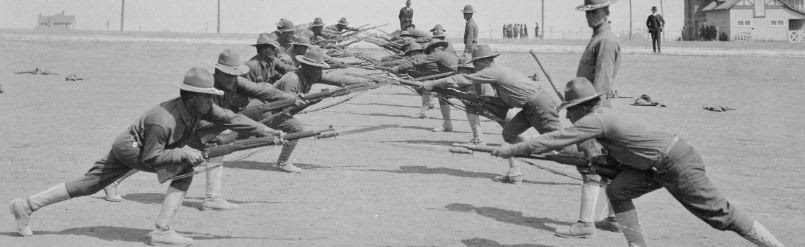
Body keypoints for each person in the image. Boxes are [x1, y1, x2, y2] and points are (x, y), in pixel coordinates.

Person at [491, 78, 786, 247]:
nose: (567, 116)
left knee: (721, 216)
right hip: (654, 166)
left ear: (582, 107)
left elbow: (557, 140)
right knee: (618, 190)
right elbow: (604, 154)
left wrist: (513, 150)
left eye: (570, 110)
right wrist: (594, 161)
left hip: (675, 163)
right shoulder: (601, 116)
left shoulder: (597, 120)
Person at [9, 67, 281, 245]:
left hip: (130, 143)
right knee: (183, 167)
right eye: (207, 97)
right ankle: (162, 230)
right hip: (132, 148)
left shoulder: (200, 108)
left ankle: (27, 205)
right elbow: (153, 158)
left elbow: (232, 118)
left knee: (89, 184)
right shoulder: (163, 120)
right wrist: (183, 152)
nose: (211, 102)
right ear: (190, 96)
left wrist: (266, 130)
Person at [103, 50, 307, 210]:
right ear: (217, 72)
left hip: (213, 125)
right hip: (191, 126)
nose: (231, 80)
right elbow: (201, 117)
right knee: (157, 157)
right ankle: (113, 181)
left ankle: (212, 198)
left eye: (235, 75)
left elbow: (263, 90)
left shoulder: (236, 81)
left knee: (213, 151)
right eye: (228, 75)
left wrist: (291, 99)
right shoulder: (203, 86)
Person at [423, 44, 561, 184]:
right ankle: (515, 173)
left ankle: (584, 159)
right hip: (529, 107)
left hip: (539, 106)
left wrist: (433, 83)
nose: (475, 67)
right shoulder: (498, 70)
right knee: (509, 133)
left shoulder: (491, 71)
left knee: (562, 143)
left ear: (484, 60)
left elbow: (464, 79)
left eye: (476, 63)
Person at [391, 40, 458, 125]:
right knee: (437, 92)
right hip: (454, 75)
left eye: (430, 52)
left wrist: (398, 68)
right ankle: (445, 122)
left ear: (434, 49)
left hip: (453, 78)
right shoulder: (447, 54)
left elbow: (416, 62)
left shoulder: (435, 55)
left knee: (429, 87)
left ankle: (443, 120)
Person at [577, 0, 621, 104]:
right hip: (585, 105)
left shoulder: (605, 40)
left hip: (594, 108)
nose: (590, 16)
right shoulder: (597, 38)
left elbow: (602, 86)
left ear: (607, 13)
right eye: (588, 12)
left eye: (595, 11)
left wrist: (594, 116)